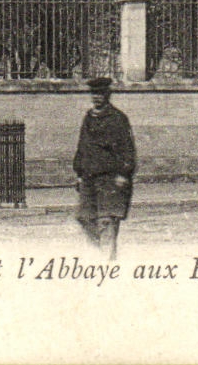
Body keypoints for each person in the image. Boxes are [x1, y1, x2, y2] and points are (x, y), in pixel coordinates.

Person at [72, 76, 134, 260]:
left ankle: (107, 261)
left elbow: (127, 148)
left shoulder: (117, 118)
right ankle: (101, 253)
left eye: (100, 93)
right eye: (94, 93)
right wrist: (79, 173)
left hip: (110, 178)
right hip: (89, 176)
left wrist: (123, 173)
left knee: (107, 220)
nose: (96, 97)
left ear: (107, 95)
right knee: (84, 217)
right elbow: (82, 146)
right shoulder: (89, 118)